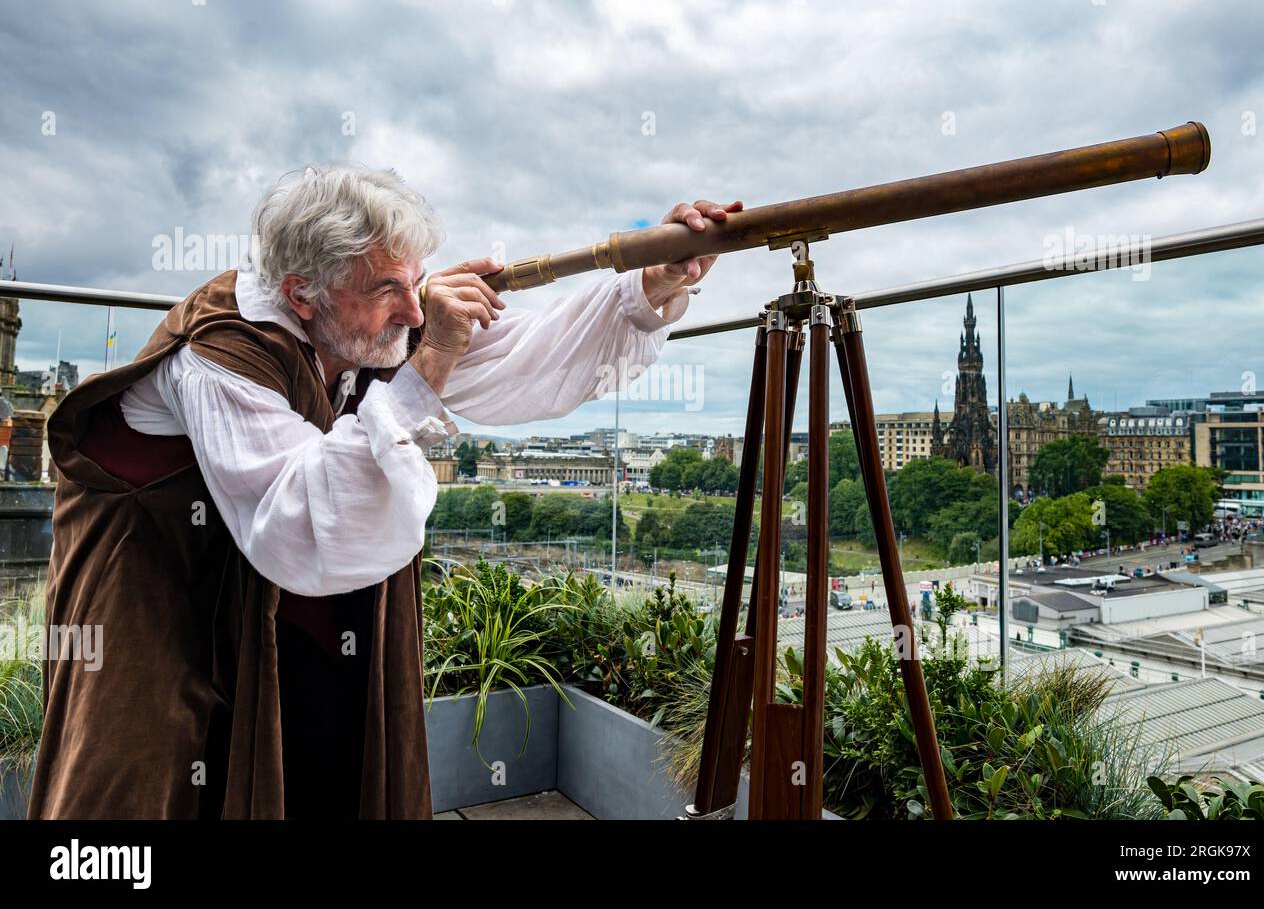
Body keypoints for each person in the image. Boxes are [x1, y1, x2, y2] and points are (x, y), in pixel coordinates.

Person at [29, 164, 741, 819]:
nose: (413, 308)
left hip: (281, 604)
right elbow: (300, 522)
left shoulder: (362, 322)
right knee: (144, 780)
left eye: (418, 281)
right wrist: (431, 361)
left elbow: (529, 359)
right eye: (386, 290)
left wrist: (655, 277)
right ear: (299, 294)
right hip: (161, 592)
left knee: (318, 764)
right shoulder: (220, 355)